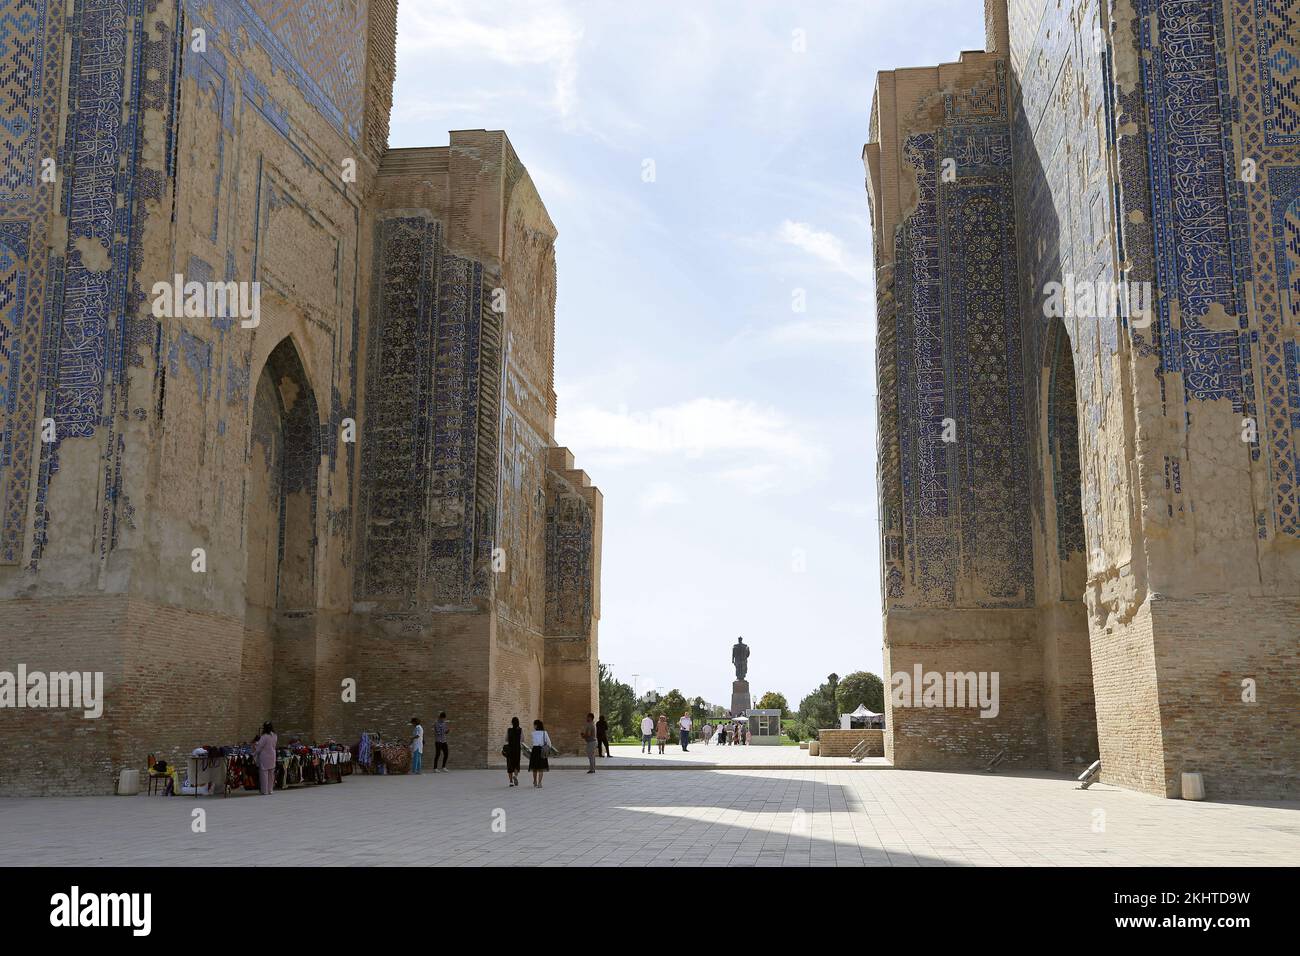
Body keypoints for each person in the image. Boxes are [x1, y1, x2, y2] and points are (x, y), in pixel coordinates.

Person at [252, 721, 277, 795]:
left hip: (264, 757)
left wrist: (254, 753)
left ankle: (264, 790)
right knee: (271, 774)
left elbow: (259, 747)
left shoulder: (264, 736)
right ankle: (270, 790)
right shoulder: (275, 735)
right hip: (272, 755)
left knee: (264, 774)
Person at [529, 719, 552, 788]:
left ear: (536, 725)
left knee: (534, 767)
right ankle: (539, 783)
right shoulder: (545, 733)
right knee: (541, 768)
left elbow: (532, 743)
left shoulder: (533, 733)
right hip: (542, 750)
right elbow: (549, 743)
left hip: (535, 750)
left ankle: (535, 782)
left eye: (534, 725)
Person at [505, 717, 522, 787]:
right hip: (517, 750)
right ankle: (515, 776)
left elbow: (506, 739)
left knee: (510, 765)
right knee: (516, 764)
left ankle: (511, 782)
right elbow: (522, 739)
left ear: (512, 723)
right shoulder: (520, 730)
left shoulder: (509, 730)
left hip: (510, 750)